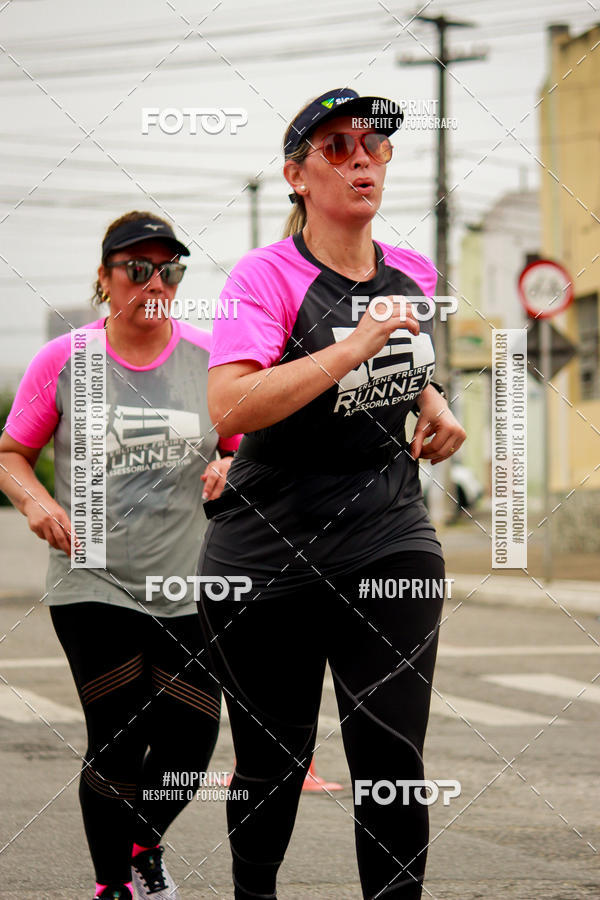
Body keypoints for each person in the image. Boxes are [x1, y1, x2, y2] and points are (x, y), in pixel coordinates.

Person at [196, 89, 466, 900]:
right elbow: (233, 406)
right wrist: (353, 345)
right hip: (264, 549)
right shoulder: (264, 276)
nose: (361, 159)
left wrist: (435, 402)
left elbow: (406, 365)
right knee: (274, 762)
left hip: (388, 533)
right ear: (297, 176)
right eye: (338, 147)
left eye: (375, 147)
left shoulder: (412, 272)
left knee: (390, 754)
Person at [0, 211, 240, 900]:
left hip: (187, 580)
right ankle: (115, 886)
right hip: (92, 578)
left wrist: (232, 467)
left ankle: (142, 841)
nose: (154, 281)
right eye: (137, 268)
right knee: (118, 731)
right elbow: (12, 454)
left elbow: (244, 439)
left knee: (191, 745)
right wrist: (35, 503)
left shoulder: (208, 356)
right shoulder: (64, 361)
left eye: (169, 269)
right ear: (105, 279)